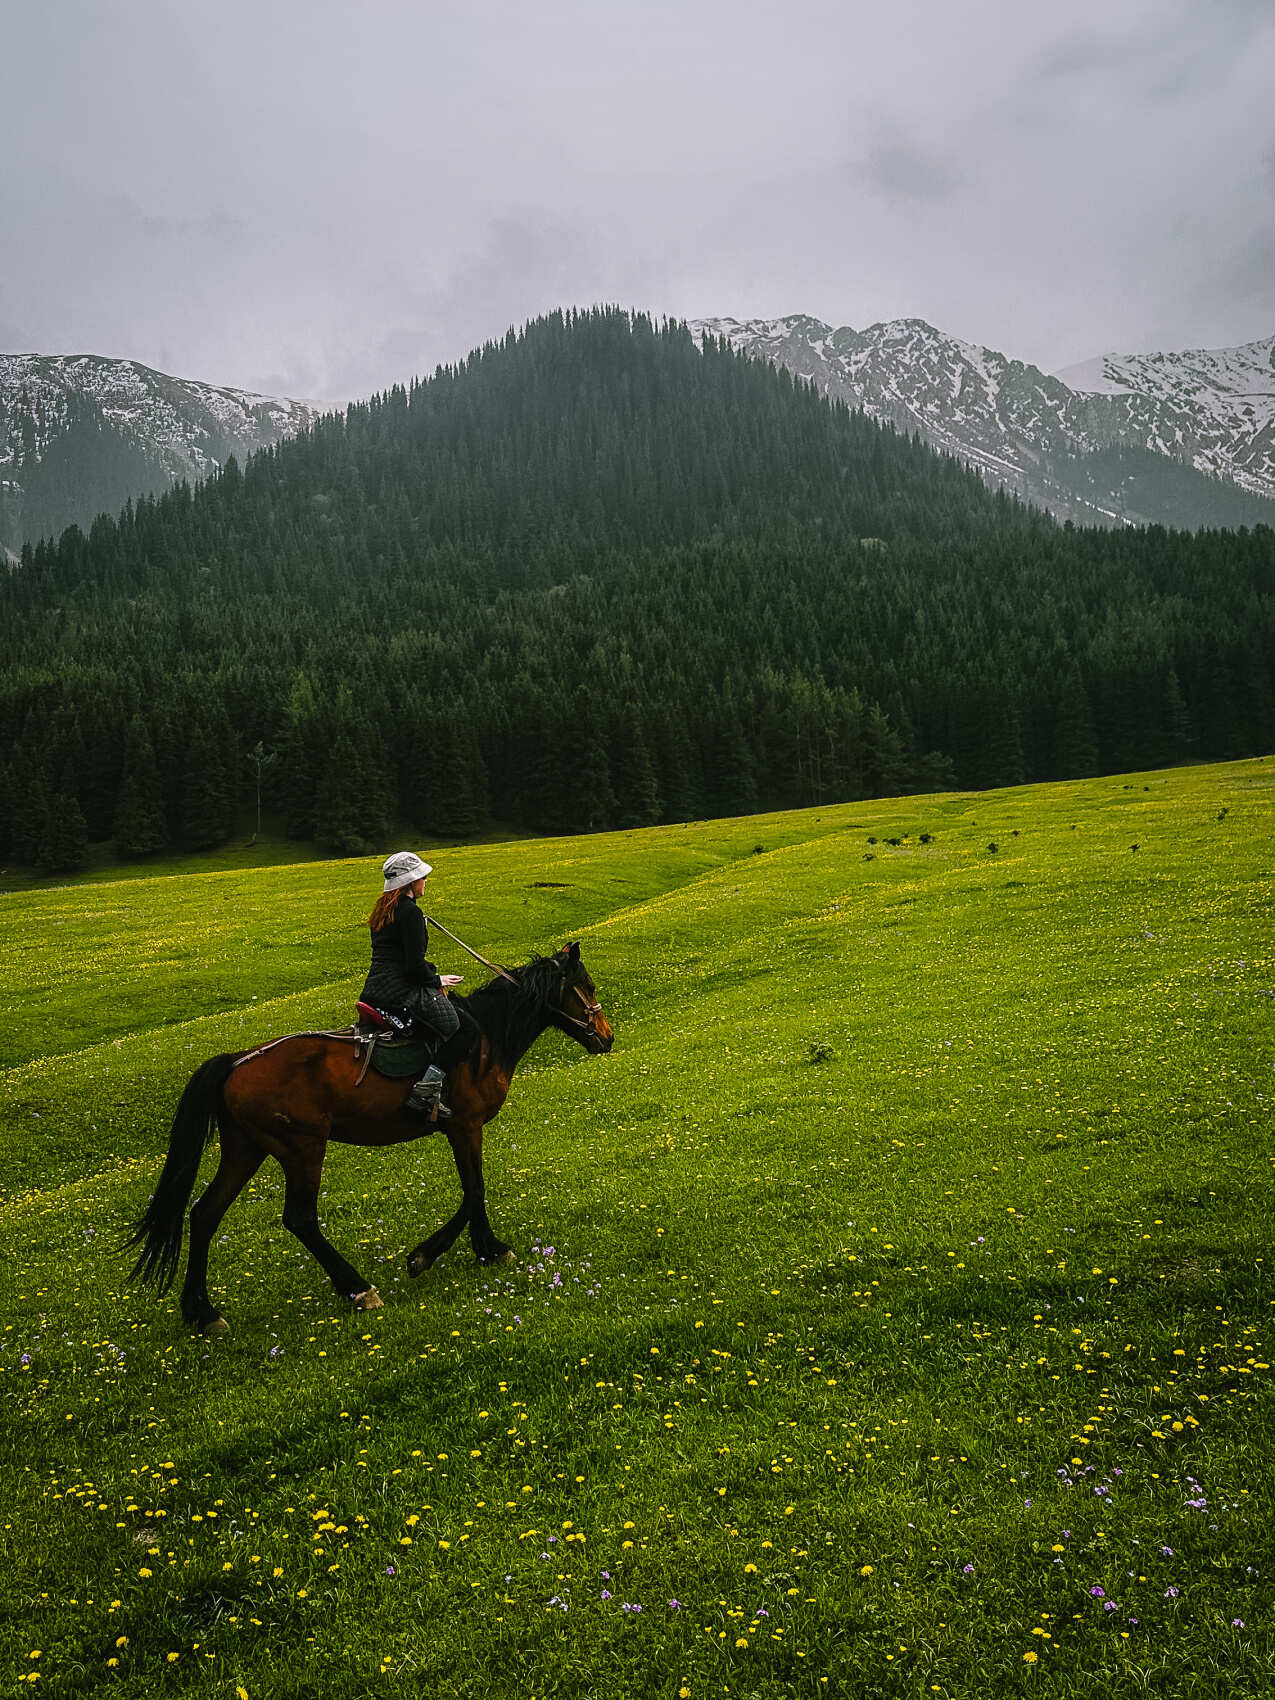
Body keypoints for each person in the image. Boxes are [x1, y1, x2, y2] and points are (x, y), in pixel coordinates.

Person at [360, 851, 480, 1118]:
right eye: (422, 877)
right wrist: (436, 980)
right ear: (411, 882)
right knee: (466, 1030)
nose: (425, 881)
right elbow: (413, 967)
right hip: (401, 993)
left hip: (375, 990)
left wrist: (432, 975)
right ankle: (425, 1091)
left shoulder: (382, 911)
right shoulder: (410, 913)